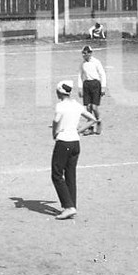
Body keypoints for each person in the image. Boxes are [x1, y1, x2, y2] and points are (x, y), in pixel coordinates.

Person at [50, 80, 99, 221]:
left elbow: (56, 121)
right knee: (70, 174)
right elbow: (92, 119)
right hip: (75, 143)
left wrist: (54, 133)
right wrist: (79, 131)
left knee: (57, 174)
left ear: (59, 92)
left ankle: (68, 206)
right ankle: (72, 205)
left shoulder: (60, 106)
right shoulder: (76, 105)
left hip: (63, 141)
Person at [78, 45, 107, 135]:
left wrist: (103, 86)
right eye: (83, 53)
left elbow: (102, 74)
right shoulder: (82, 64)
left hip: (95, 84)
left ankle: (99, 121)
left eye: (86, 53)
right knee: (88, 107)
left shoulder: (96, 62)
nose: (84, 55)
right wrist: (80, 88)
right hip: (86, 85)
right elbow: (80, 75)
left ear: (90, 53)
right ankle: (90, 127)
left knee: (94, 107)